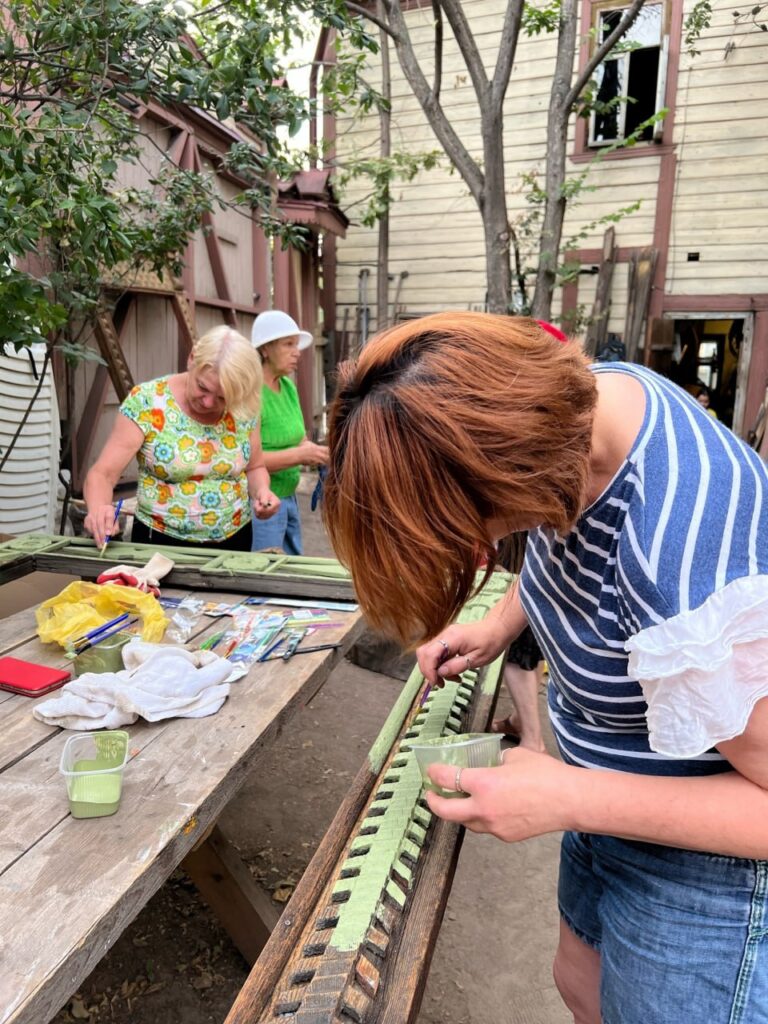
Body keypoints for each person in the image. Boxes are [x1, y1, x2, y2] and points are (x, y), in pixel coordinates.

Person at [323, 311, 768, 1024]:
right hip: (612, 796)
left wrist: (567, 798)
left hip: (708, 868)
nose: (476, 551)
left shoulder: (682, 561)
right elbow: (560, 532)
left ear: (506, 473)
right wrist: (499, 624)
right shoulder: (589, 407)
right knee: (581, 986)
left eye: (468, 531)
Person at [84, 326, 279, 551]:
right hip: (159, 541)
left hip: (235, 539)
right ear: (192, 358)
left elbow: (255, 467)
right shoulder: (148, 402)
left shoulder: (243, 405)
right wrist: (99, 509)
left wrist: (262, 491)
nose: (208, 403)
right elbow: (102, 474)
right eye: (202, 387)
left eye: (222, 398)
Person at [250, 310, 329, 554]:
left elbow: (300, 439)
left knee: (292, 569)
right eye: (288, 344)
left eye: (296, 345)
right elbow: (247, 462)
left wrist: (320, 452)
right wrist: (301, 456)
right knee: (267, 576)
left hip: (289, 500)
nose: (297, 352)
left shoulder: (288, 387)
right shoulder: (250, 393)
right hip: (262, 505)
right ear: (265, 349)